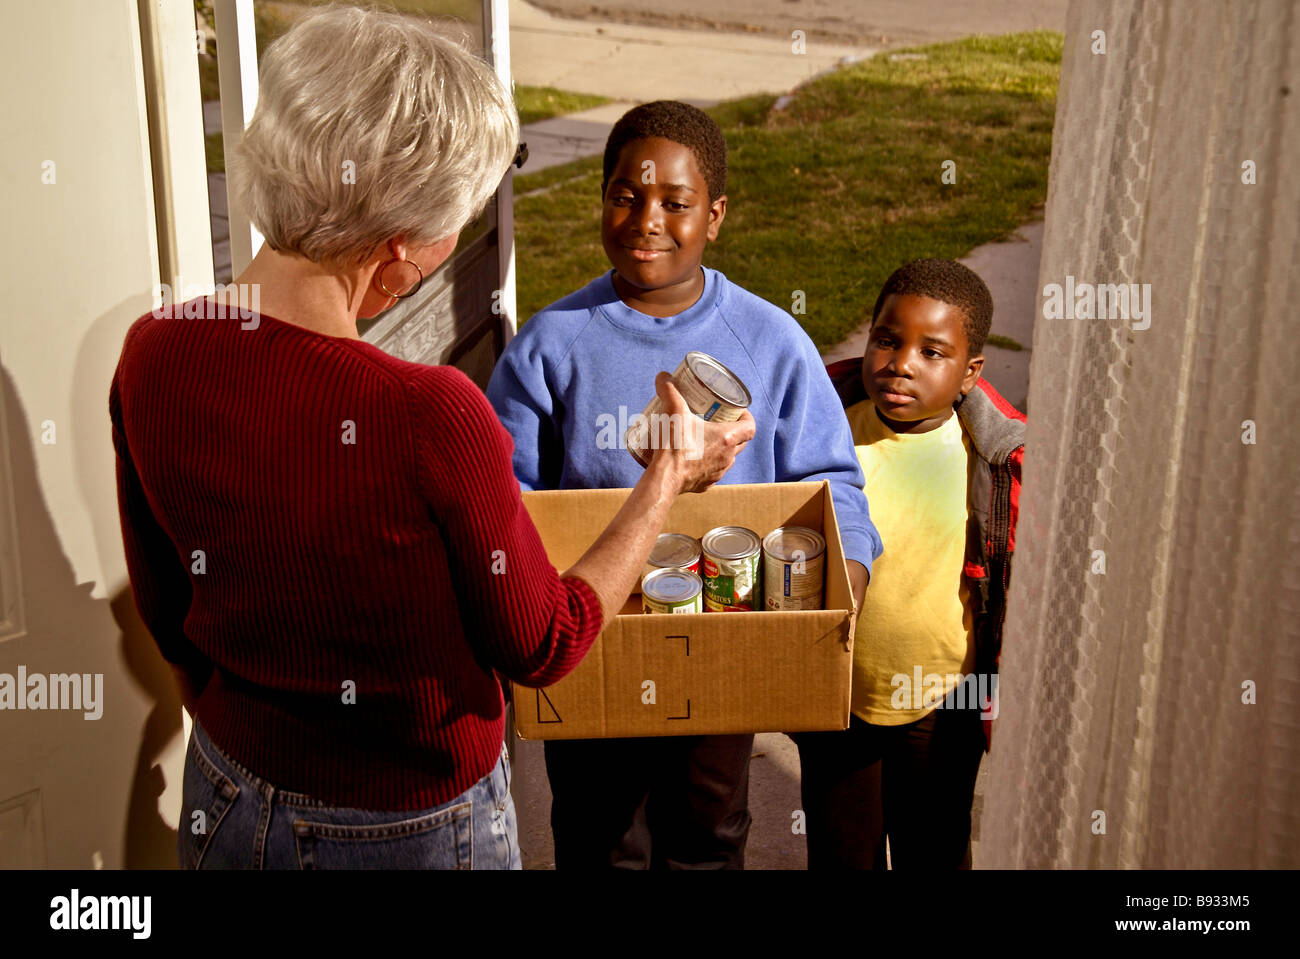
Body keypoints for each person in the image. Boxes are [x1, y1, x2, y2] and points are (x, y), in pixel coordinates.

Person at [109, 7, 753, 871]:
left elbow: (167, 616)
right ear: (401, 249)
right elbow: (546, 642)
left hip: (225, 790)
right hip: (408, 827)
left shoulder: (154, 350)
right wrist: (666, 477)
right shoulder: (430, 411)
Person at [487, 100, 882, 869]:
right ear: (601, 199)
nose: (647, 220)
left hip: (721, 640)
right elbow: (506, 497)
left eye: (676, 202)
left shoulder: (769, 340)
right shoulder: (551, 345)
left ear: (717, 214)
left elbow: (834, 482)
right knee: (604, 839)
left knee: (708, 830)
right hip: (593, 638)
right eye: (626, 197)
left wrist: (848, 579)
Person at [796, 258, 1026, 869]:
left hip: (944, 703)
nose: (901, 364)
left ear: (970, 373)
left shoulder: (994, 461)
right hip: (840, 699)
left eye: (932, 352)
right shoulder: (825, 434)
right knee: (843, 855)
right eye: (887, 341)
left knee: (936, 850)